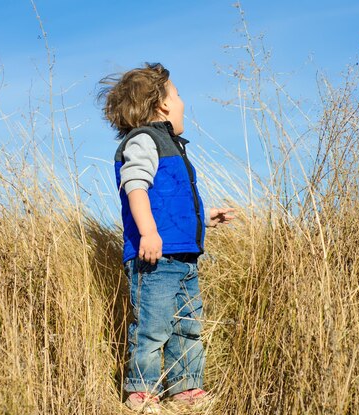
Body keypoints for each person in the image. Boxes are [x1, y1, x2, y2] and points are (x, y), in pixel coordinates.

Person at [99, 62, 235, 413]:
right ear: (161, 105)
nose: (182, 100)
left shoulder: (171, 145)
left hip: (183, 257)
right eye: (177, 94)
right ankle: (141, 392)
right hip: (155, 258)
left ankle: (185, 388)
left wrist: (205, 219)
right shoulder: (145, 140)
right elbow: (136, 186)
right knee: (153, 325)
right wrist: (148, 232)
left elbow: (169, 203)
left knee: (187, 325)